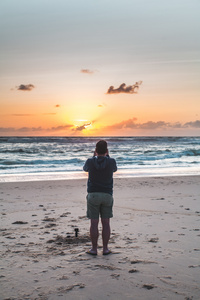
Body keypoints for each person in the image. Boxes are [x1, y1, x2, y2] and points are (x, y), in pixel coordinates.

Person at [83, 140, 117, 255]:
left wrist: (94, 156)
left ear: (96, 150)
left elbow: (85, 169)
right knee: (106, 223)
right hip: (107, 194)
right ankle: (105, 248)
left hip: (93, 194)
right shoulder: (111, 161)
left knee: (94, 223)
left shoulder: (90, 161)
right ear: (107, 151)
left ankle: (93, 249)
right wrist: (107, 156)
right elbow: (114, 169)